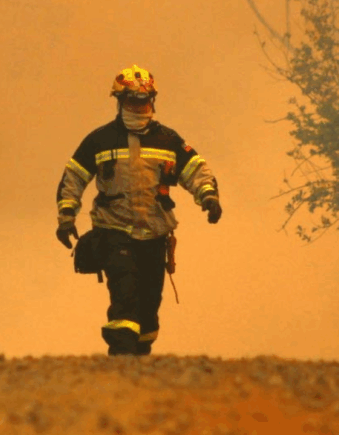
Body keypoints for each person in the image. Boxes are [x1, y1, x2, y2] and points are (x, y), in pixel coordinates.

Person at [55, 64, 222, 356]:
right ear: (120, 101)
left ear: (152, 101)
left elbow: (196, 171)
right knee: (125, 295)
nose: (139, 106)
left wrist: (209, 197)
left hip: (155, 235)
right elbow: (73, 178)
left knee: (149, 306)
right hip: (114, 232)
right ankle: (121, 360)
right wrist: (66, 217)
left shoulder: (168, 140)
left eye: (144, 100)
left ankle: (140, 366)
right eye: (133, 100)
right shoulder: (100, 140)